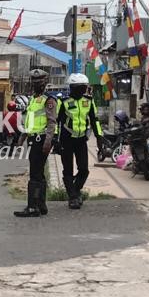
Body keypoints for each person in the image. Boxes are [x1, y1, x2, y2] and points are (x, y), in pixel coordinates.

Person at [15, 69, 58, 218]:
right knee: (39, 173)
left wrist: (48, 142)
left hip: (41, 141)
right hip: (33, 139)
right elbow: (30, 123)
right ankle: (41, 204)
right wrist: (21, 139)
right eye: (34, 81)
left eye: (39, 81)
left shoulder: (49, 100)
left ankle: (32, 206)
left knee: (34, 174)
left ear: (45, 83)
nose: (36, 84)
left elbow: (52, 123)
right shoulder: (33, 100)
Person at [57, 73, 103, 210]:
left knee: (84, 170)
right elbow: (56, 122)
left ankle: (75, 192)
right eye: (79, 88)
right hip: (66, 140)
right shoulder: (63, 101)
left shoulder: (88, 101)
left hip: (81, 140)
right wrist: (55, 139)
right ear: (72, 88)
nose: (82, 90)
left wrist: (99, 137)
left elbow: (94, 120)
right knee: (68, 170)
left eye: (84, 87)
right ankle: (73, 197)